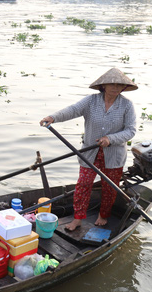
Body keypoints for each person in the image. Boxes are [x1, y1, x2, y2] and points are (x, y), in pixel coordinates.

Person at [39, 68, 137, 231]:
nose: (115, 87)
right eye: (111, 84)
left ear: (123, 88)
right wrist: (53, 117)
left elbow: (131, 130)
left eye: (119, 85)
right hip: (90, 153)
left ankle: (103, 215)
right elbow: (72, 110)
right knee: (83, 184)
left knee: (110, 187)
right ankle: (78, 218)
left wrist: (110, 139)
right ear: (103, 86)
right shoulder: (91, 101)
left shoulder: (127, 105)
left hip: (114, 155)